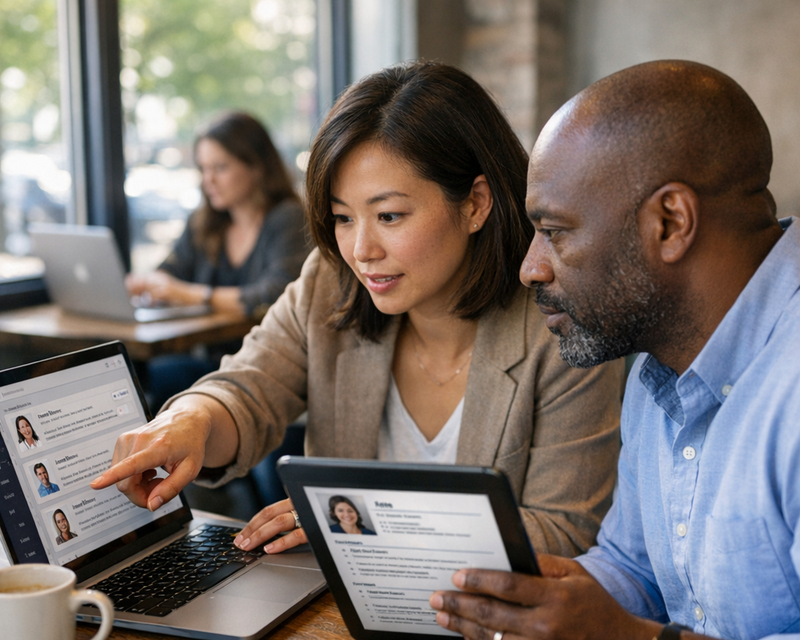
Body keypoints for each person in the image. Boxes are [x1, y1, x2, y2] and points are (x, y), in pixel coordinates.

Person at [429, 60, 800, 640]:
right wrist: (532, 596)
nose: (530, 268)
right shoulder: (657, 364)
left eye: (553, 232)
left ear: (669, 222)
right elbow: (633, 569)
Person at [92, 61, 623, 561]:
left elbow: (564, 534)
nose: (361, 250)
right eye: (343, 218)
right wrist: (191, 420)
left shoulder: (563, 327)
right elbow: (248, 387)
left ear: (476, 204)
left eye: (389, 215)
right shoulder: (330, 285)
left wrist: (365, 523)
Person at [125, 111, 311, 408]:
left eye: (220, 168)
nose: (208, 180)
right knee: (136, 379)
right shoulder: (205, 223)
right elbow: (170, 273)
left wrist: (188, 294)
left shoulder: (287, 218)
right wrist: (143, 284)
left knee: (155, 380)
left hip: (268, 369)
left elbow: (274, 294)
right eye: (203, 168)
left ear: (257, 167)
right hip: (216, 364)